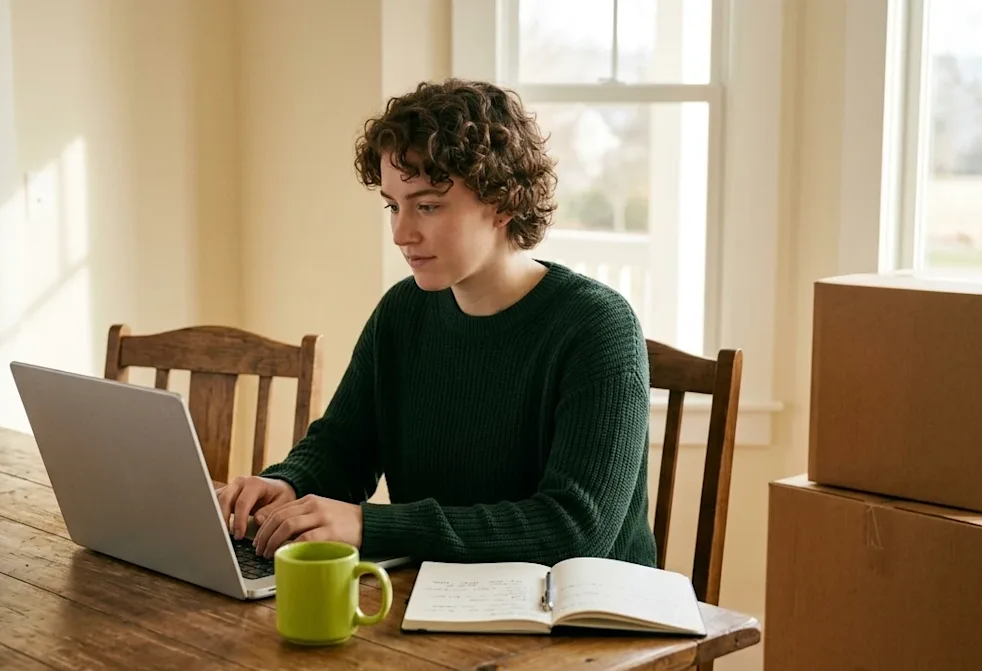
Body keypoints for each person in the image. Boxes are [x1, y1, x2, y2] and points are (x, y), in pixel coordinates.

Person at [216, 78, 657, 568]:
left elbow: (574, 530)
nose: (402, 233)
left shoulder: (597, 327)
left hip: (587, 622)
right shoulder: (403, 312)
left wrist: (370, 525)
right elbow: (343, 447)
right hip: (442, 599)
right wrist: (285, 485)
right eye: (392, 205)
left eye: (427, 205)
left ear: (504, 202)